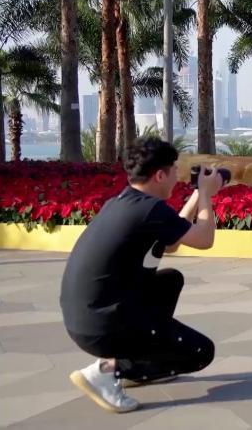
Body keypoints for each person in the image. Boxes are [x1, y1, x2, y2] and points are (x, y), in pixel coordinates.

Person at [60, 138, 221, 413]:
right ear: (160, 175)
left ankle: (133, 367)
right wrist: (206, 194)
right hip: (102, 327)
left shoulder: (123, 202)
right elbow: (205, 239)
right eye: (174, 170)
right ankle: (106, 371)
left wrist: (197, 195)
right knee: (200, 352)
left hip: (86, 319)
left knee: (169, 280)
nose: (177, 176)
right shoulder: (150, 209)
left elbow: (171, 243)